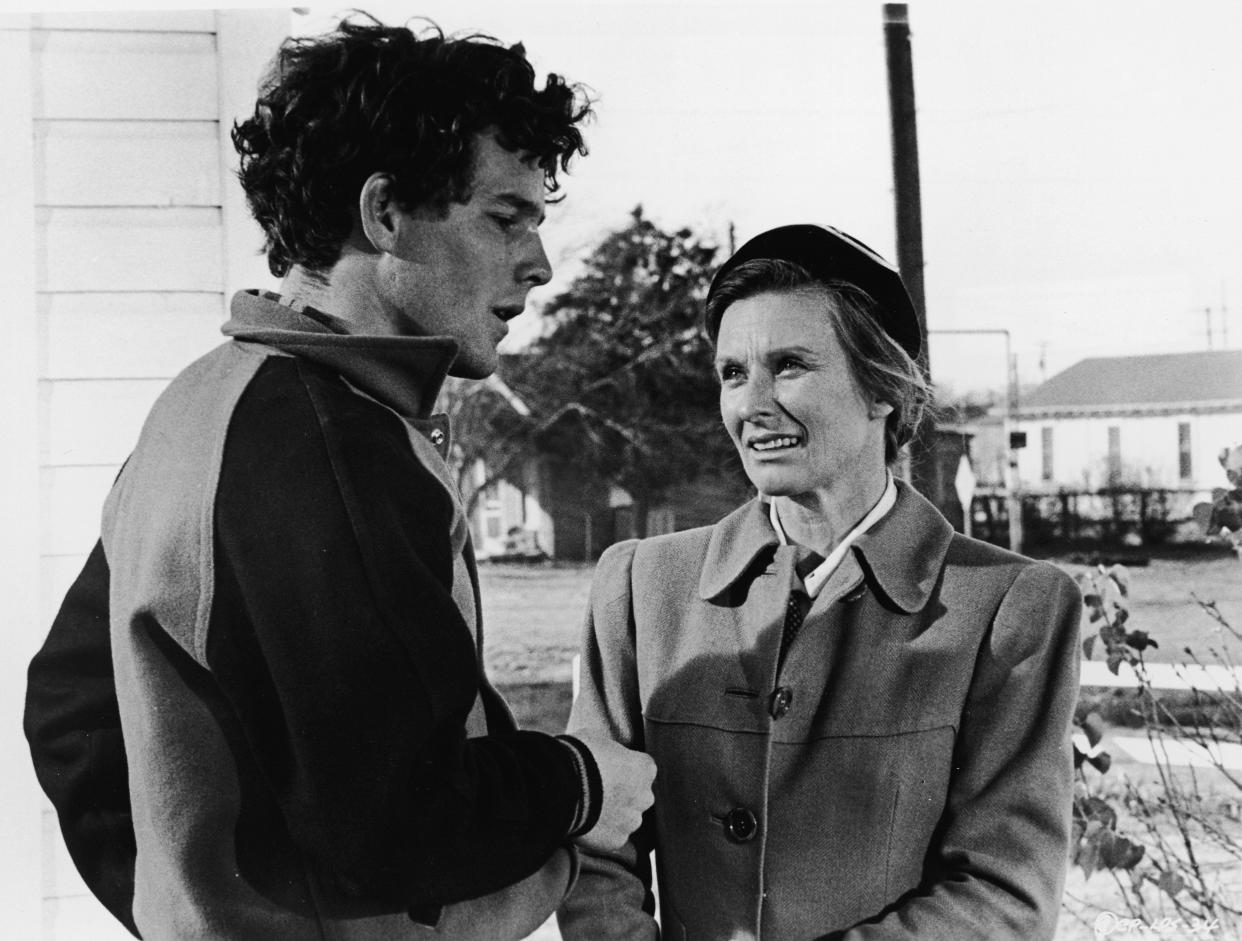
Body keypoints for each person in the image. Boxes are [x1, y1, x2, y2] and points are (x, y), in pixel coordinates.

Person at [23, 16, 655, 940]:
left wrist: (195, 910)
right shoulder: (333, 443)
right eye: (506, 217)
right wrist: (583, 779)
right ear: (385, 214)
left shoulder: (206, 402)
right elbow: (400, 819)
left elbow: (67, 711)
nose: (541, 263)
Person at [558, 223, 1082, 940]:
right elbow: (595, 850)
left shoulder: (1011, 608)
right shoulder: (641, 587)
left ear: (882, 390)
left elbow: (1003, 892)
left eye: (790, 365)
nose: (751, 406)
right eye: (732, 373)